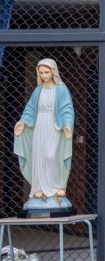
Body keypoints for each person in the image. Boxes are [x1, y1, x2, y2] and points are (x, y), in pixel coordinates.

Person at [14, 57, 75, 211]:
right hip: (39, 125)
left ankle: (56, 188)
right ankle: (38, 189)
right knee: (39, 156)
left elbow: (67, 108)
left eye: (46, 72)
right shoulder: (38, 90)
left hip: (54, 126)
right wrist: (23, 122)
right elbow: (30, 109)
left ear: (53, 72)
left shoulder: (61, 89)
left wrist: (67, 124)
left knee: (51, 156)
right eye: (41, 73)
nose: (44, 75)